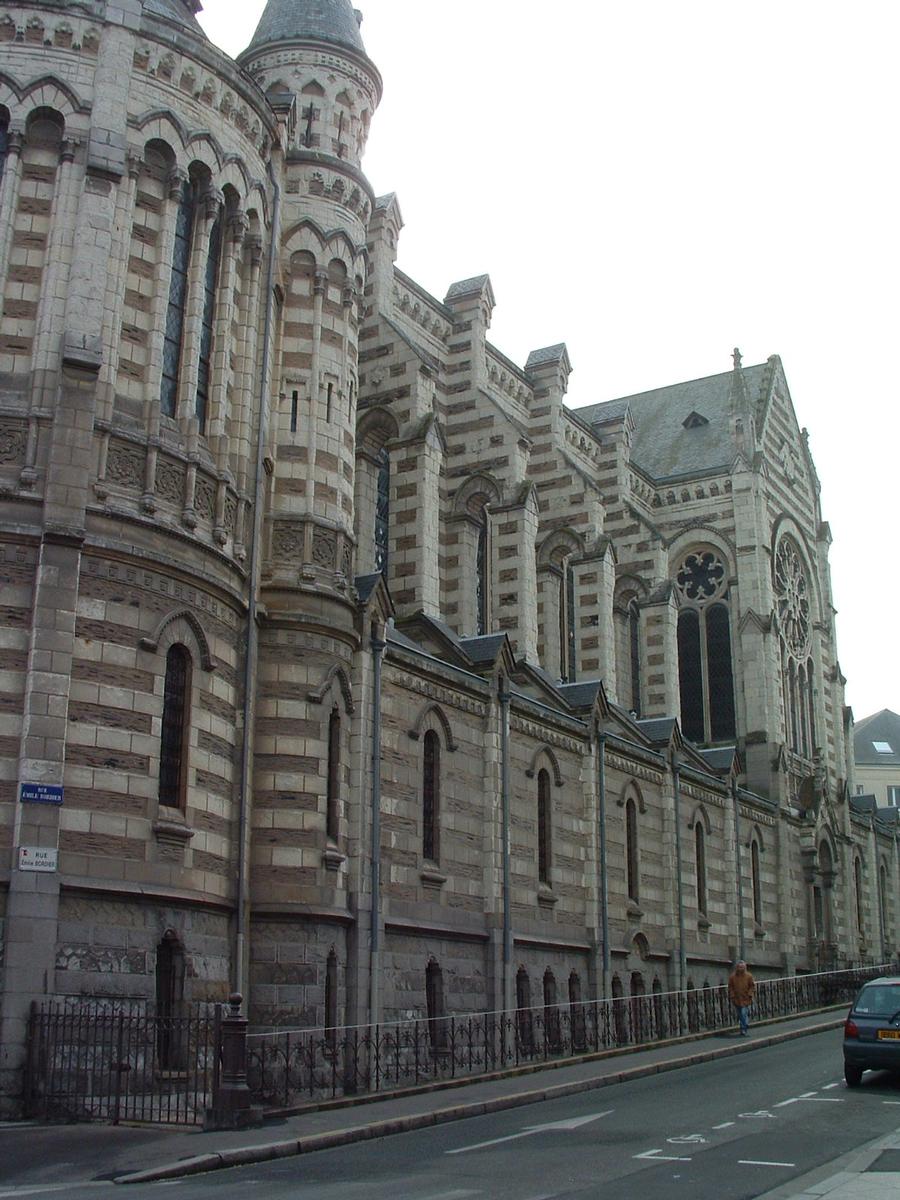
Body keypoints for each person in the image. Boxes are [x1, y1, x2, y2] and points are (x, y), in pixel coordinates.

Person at [728, 960, 755, 1036]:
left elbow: (752, 986)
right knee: (740, 1014)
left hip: (745, 998)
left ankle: (744, 1026)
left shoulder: (749, 976)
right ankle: (743, 1028)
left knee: (744, 1013)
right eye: (739, 967)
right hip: (737, 998)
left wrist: (750, 994)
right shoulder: (732, 977)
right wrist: (732, 995)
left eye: (742, 967)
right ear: (737, 967)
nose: (741, 968)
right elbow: (730, 987)